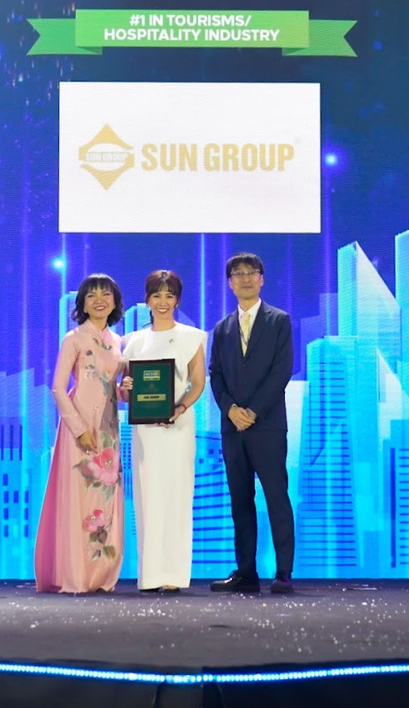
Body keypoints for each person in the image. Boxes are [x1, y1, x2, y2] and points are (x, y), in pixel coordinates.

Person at [207, 253, 296, 594]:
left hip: (268, 425)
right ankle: (246, 572)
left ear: (262, 278)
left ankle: (283, 572)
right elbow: (216, 375)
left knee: (276, 497)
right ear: (230, 283)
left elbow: (281, 371)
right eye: (238, 274)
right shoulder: (222, 328)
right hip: (233, 429)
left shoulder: (279, 320)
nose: (245, 278)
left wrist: (253, 411)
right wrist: (230, 409)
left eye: (251, 272)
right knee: (240, 501)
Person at [34, 274, 127, 593]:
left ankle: (100, 575)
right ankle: (74, 574)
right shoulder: (73, 338)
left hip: (109, 430)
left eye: (106, 294)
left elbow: (113, 389)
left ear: (115, 302)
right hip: (80, 427)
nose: (99, 300)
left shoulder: (118, 341)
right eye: (91, 295)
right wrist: (78, 428)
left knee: (104, 499)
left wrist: (126, 390)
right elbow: (58, 388)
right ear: (82, 304)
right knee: (78, 499)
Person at [120, 270, 207, 593]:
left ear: (177, 300)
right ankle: (150, 574)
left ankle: (174, 575)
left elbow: (197, 383)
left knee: (177, 496)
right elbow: (124, 389)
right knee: (148, 496)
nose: (163, 302)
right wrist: (126, 388)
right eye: (157, 295)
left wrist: (179, 408)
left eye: (169, 295)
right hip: (145, 431)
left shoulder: (192, 337)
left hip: (178, 427)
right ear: (147, 300)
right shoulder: (133, 341)